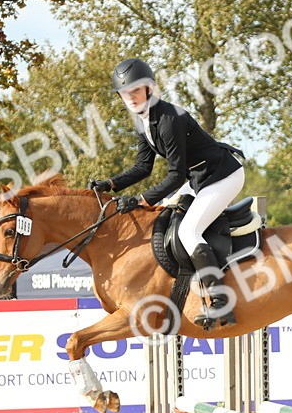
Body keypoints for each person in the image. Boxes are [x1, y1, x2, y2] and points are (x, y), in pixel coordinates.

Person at [90, 59, 247, 328]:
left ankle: (221, 303)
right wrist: (112, 184)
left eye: (136, 91)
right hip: (199, 178)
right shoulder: (142, 122)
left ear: (149, 89)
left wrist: (141, 200)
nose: (131, 97)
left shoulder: (168, 119)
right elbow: (143, 167)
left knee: (188, 232)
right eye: (125, 93)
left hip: (223, 175)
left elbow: (175, 174)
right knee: (165, 219)